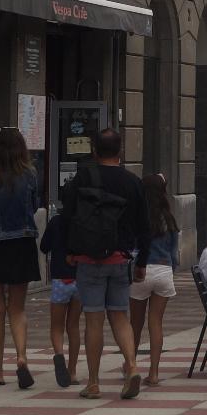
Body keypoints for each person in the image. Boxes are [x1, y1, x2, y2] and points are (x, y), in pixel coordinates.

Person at [61, 128, 152, 400]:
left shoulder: (83, 177)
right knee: (120, 315)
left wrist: (68, 250)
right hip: (121, 258)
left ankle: (93, 382)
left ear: (94, 152)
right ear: (120, 152)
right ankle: (132, 366)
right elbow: (144, 227)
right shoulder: (133, 182)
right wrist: (142, 262)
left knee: (93, 320)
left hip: (88, 259)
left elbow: (68, 216)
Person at [0, 128, 41, 389]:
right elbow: (34, 207)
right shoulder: (32, 175)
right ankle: (22, 357)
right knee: (18, 307)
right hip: (23, 245)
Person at [129, 174, 179, 388]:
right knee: (156, 323)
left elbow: (132, 247)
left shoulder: (137, 216)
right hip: (164, 271)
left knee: (135, 325)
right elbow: (174, 254)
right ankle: (154, 372)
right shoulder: (169, 218)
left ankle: (130, 366)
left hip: (142, 270)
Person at [40, 204, 81, 388]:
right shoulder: (83, 222)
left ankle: (59, 356)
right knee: (73, 326)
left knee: (56, 327)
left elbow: (44, 246)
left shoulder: (56, 221)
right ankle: (72, 372)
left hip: (59, 280)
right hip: (80, 280)